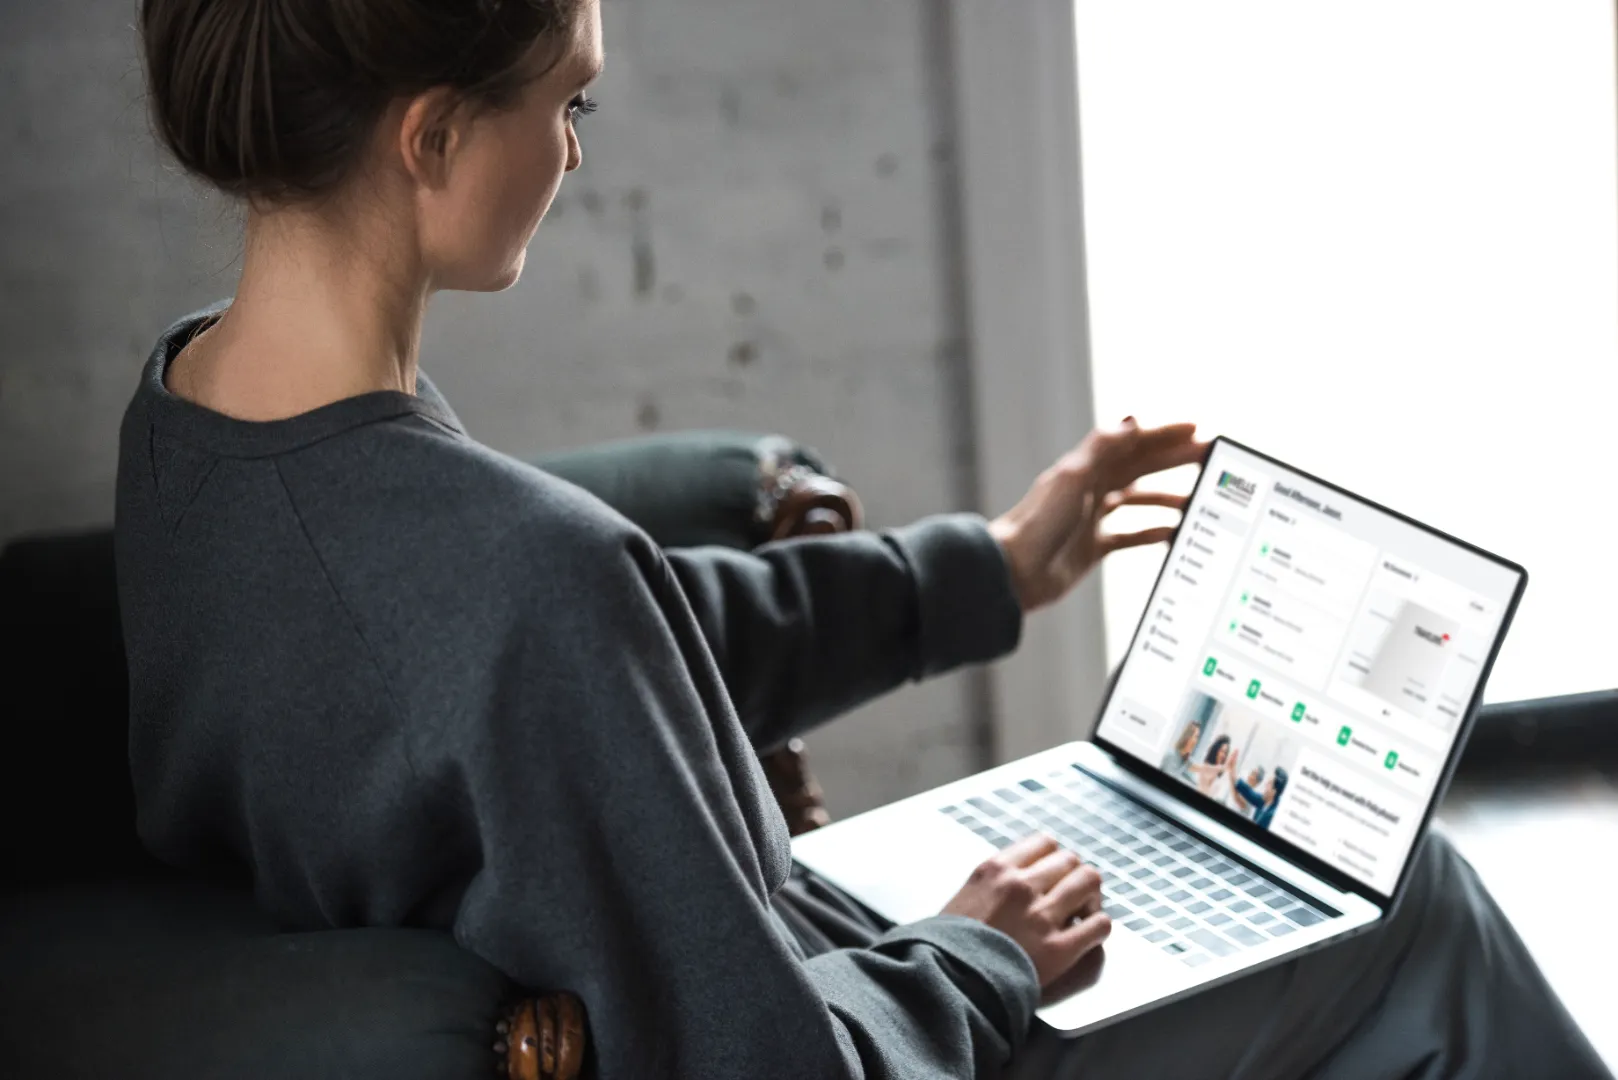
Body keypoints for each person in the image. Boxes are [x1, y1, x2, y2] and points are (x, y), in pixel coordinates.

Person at [119, 2, 1610, 1077]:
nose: (573, 154)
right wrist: (980, 953)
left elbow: (608, 650)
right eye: (567, 102)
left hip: (813, 957)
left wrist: (989, 566)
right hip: (871, 1023)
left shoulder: (193, 412)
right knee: (1419, 912)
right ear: (432, 136)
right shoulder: (516, 575)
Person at [1232, 765, 1287, 830]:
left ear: (1274, 791)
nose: (1265, 784)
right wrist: (1231, 770)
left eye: (1269, 783)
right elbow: (1248, 792)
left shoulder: (1271, 815)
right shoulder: (1264, 800)